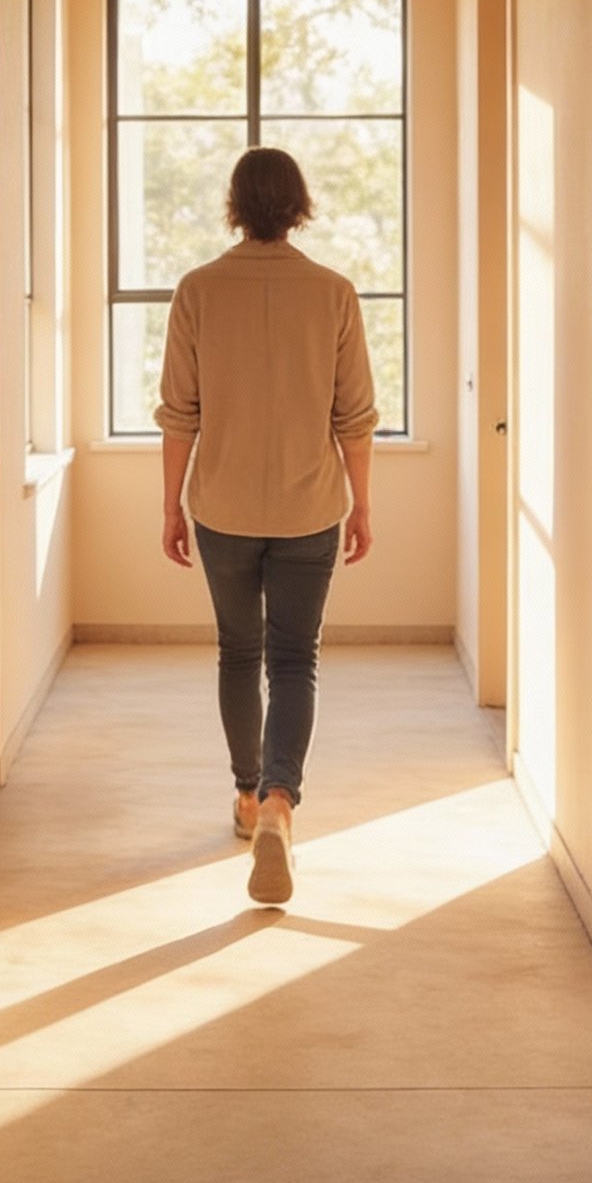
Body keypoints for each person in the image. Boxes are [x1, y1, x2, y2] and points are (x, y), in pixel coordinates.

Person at [155, 146, 378, 904]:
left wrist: (170, 505)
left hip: (221, 508)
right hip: (309, 508)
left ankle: (248, 797)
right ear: (299, 206)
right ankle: (282, 800)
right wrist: (362, 503)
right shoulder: (334, 293)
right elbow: (355, 417)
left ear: (235, 205)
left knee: (238, 651)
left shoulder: (197, 290)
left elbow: (179, 414)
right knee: (293, 658)